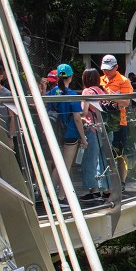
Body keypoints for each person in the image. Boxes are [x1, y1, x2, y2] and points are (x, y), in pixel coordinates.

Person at [47, 64, 87, 192]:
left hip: (55, 132)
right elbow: (77, 118)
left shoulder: (51, 93)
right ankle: (57, 195)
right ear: (70, 77)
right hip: (70, 133)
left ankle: (56, 194)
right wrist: (83, 137)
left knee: (59, 165)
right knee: (65, 166)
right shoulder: (72, 94)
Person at [99, 54, 132, 186]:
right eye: (104, 69)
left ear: (116, 67)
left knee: (120, 152)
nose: (106, 72)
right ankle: (107, 182)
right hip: (103, 121)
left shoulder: (124, 81)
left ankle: (122, 182)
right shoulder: (100, 80)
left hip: (119, 122)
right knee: (105, 153)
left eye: (108, 69)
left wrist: (109, 96)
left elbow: (126, 101)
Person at [80, 68, 110, 200]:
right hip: (106, 129)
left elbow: (84, 111)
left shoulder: (87, 91)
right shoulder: (102, 90)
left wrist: (77, 116)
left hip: (93, 128)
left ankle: (94, 189)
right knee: (104, 160)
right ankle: (107, 188)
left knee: (90, 160)